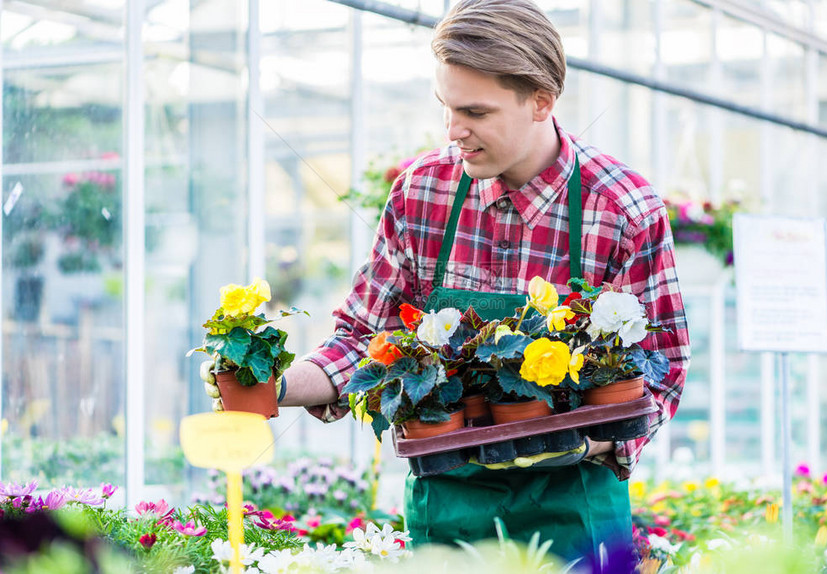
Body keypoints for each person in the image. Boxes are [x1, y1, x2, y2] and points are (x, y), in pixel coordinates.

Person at [219, 0, 689, 562]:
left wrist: (574, 443)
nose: (454, 130)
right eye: (445, 106)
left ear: (542, 100)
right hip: (445, 515)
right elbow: (361, 338)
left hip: (573, 516)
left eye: (476, 112)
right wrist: (274, 387)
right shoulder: (423, 191)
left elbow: (663, 371)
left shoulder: (621, 210)